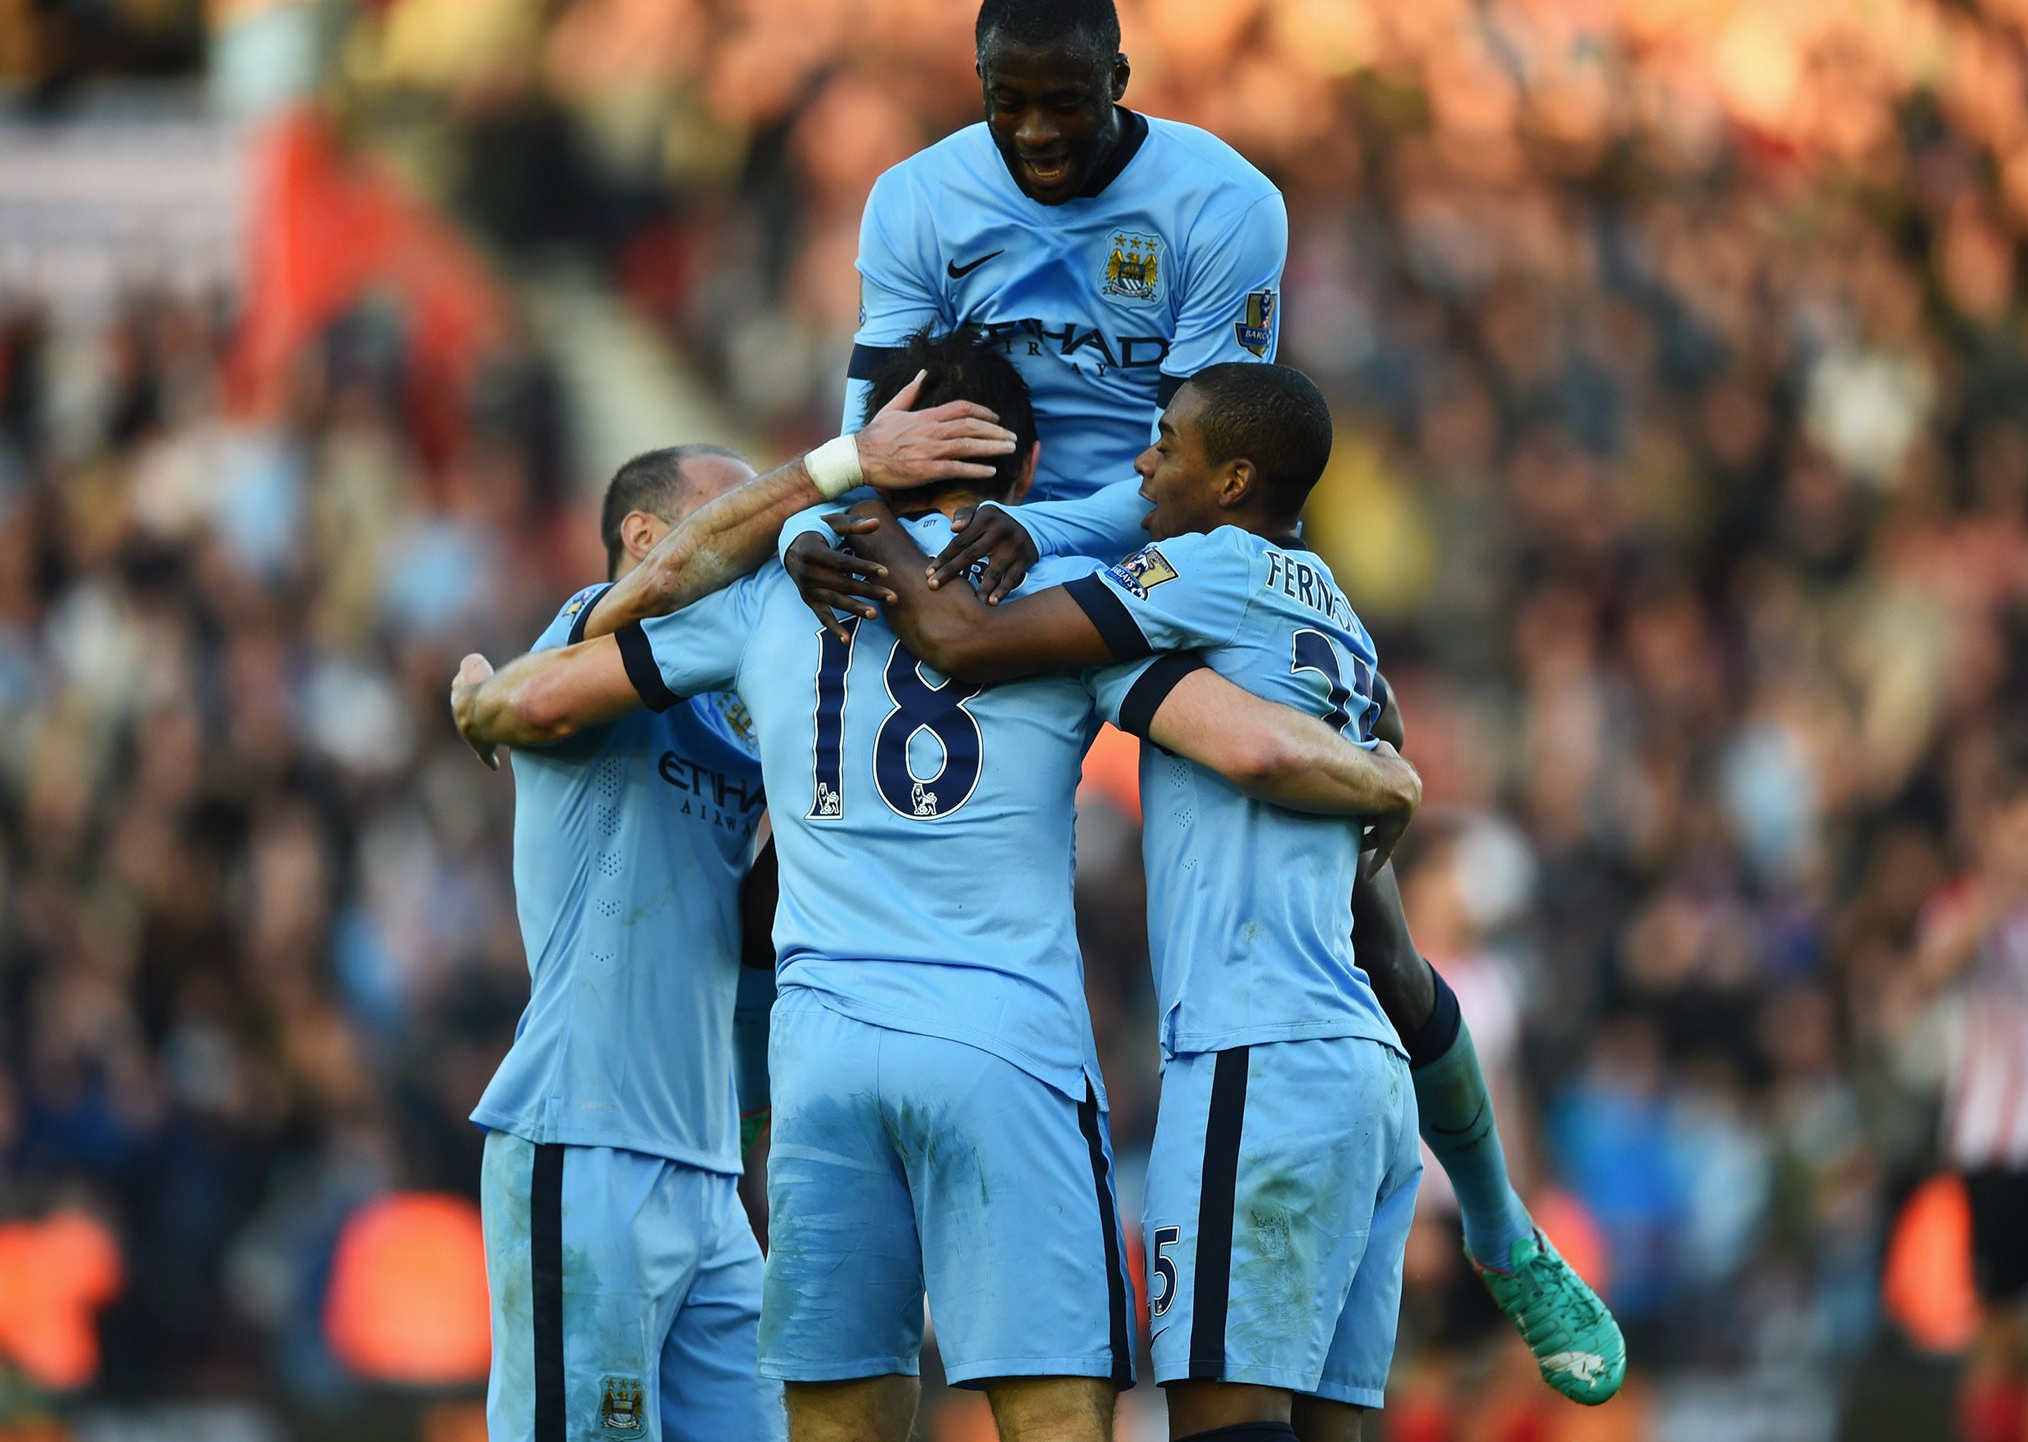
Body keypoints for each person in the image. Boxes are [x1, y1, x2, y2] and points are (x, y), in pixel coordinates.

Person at [812, 0, 1622, 1404]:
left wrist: (975, 541)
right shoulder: (916, 203)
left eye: (1067, 102)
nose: (1038, 133)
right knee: (1359, 917)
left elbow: (1179, 465)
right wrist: (843, 522)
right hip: (1016, 559)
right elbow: (880, 424)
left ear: (1122, 83)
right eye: (1009, 104)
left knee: (1349, 922)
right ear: (977, 87)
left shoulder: (1221, 211)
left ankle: (1498, 1228)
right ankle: (1495, 1222)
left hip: (1141, 586)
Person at [452, 328, 1422, 1442]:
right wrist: (1382, 773)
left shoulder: (773, 594)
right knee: (1054, 1409)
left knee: (838, 1417)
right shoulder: (1061, 603)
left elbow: (560, 681)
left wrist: (479, 696)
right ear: (1027, 468)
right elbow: (1253, 743)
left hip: (825, 1057)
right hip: (1003, 1047)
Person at [823, 364, 1428, 1440]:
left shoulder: (1211, 566)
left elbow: (960, 638)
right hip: (1365, 1074)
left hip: (1255, 1049)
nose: (1142, 464)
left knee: (1223, 1425)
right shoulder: (1342, 617)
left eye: (1168, 444)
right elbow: (1385, 907)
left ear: (1232, 480)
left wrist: (853, 505)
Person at [457, 398, 1020, 1442]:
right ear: (643, 536)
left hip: (707, 1171)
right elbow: (668, 587)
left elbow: (753, 928)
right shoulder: (586, 632)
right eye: (733, 511)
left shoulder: (735, 704)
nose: (761, 537)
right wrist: (843, 461)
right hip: (582, 1140)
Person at [1897, 758, 2028, 1442]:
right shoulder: (1963, 905)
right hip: (1998, 1148)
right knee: (2001, 1331)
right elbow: (1925, 977)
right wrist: (2001, 891)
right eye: (2024, 827)